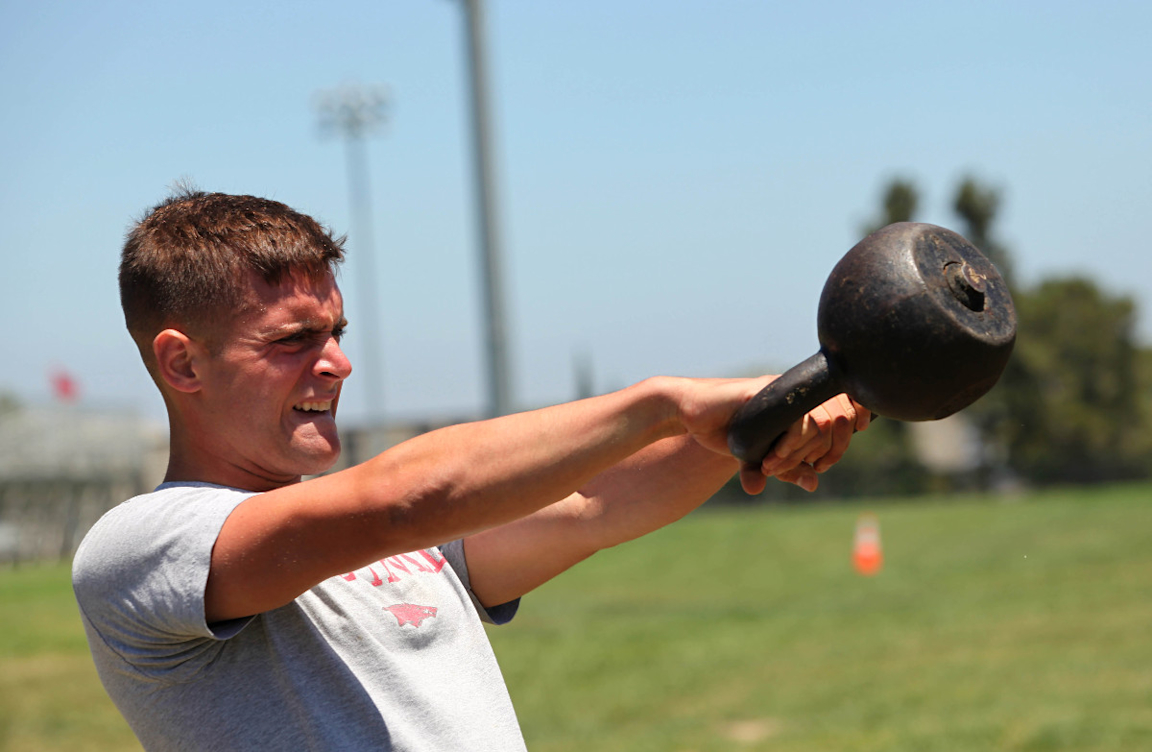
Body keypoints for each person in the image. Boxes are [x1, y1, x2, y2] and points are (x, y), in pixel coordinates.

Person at [72, 189, 870, 751]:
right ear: (182, 364)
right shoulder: (142, 549)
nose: (338, 365)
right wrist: (661, 401)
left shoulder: (382, 538)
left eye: (338, 332)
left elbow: (594, 502)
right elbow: (403, 500)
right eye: (293, 340)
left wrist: (781, 405)